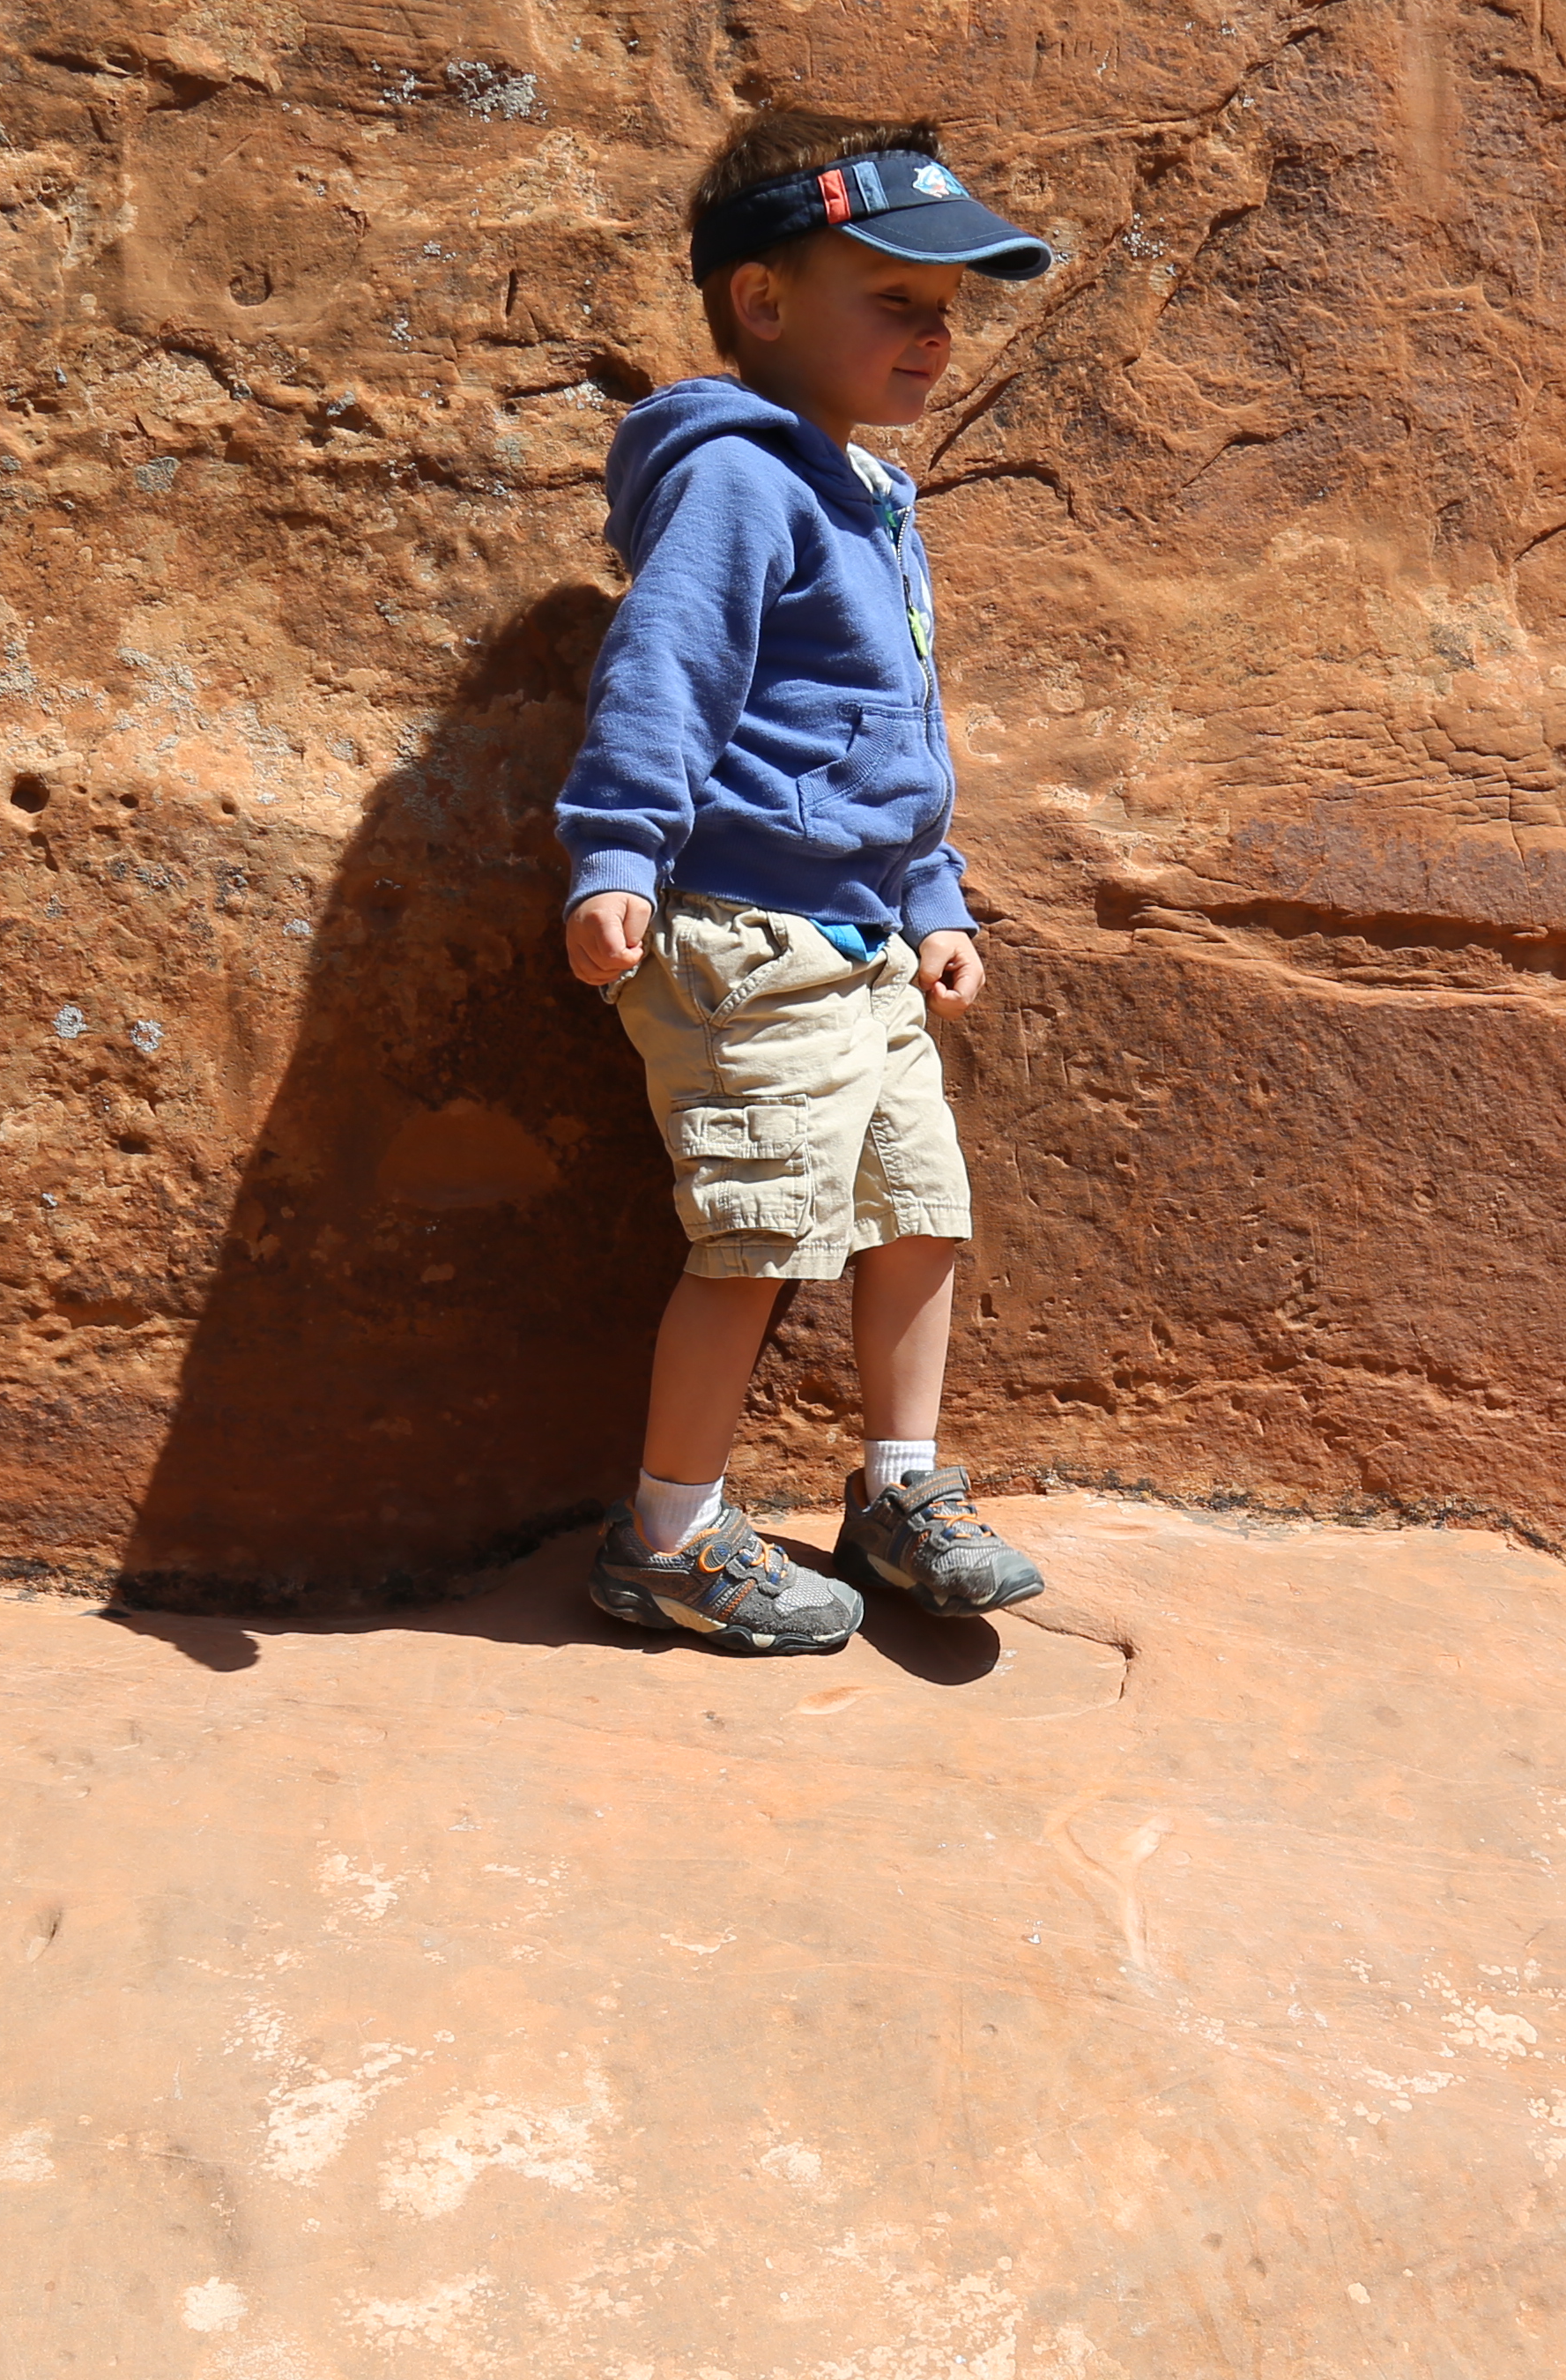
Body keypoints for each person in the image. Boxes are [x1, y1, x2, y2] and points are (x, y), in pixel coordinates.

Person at [555, 108, 1057, 1653]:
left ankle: (898, 1494)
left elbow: (890, 739)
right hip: (745, 942)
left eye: (946, 312)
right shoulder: (742, 484)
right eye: (893, 301)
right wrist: (618, 853)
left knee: (918, 1215)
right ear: (762, 301)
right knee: (758, 1241)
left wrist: (936, 901)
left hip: (865, 946)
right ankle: (669, 1538)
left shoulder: (870, 498)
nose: (931, 338)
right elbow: (665, 674)